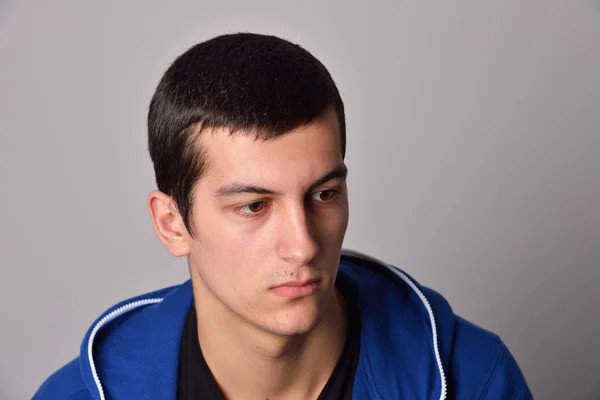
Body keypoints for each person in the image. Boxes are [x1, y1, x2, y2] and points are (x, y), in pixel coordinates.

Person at [33, 32, 532, 400]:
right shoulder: (74, 395)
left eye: (324, 194)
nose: (303, 245)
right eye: (252, 206)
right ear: (172, 223)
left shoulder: (475, 379)